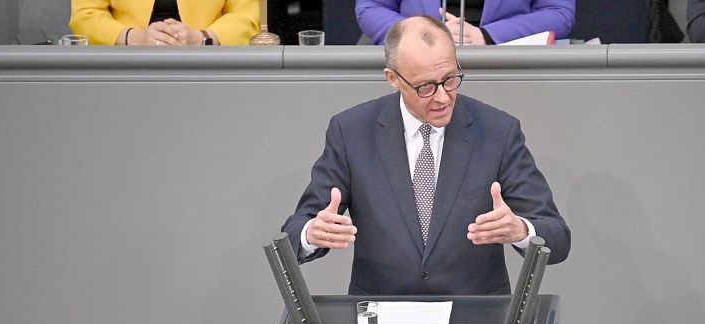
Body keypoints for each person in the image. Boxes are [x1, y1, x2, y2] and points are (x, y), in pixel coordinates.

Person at [281, 15, 570, 296]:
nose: (443, 97)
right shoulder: (351, 131)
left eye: (450, 79)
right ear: (393, 79)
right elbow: (293, 232)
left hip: (476, 323)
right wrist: (312, 233)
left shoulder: (498, 131)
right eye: (426, 87)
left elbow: (557, 237)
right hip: (380, 322)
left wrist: (520, 229)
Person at [355, 0, 575, 45]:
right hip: (416, 58)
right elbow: (370, 7)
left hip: (501, 59)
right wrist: (421, 33)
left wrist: (486, 35)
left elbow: (559, 13)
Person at [70, 0, 259, 46]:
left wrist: (201, 38)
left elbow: (246, 18)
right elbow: (85, 15)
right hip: (123, 65)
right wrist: (134, 37)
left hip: (206, 67)